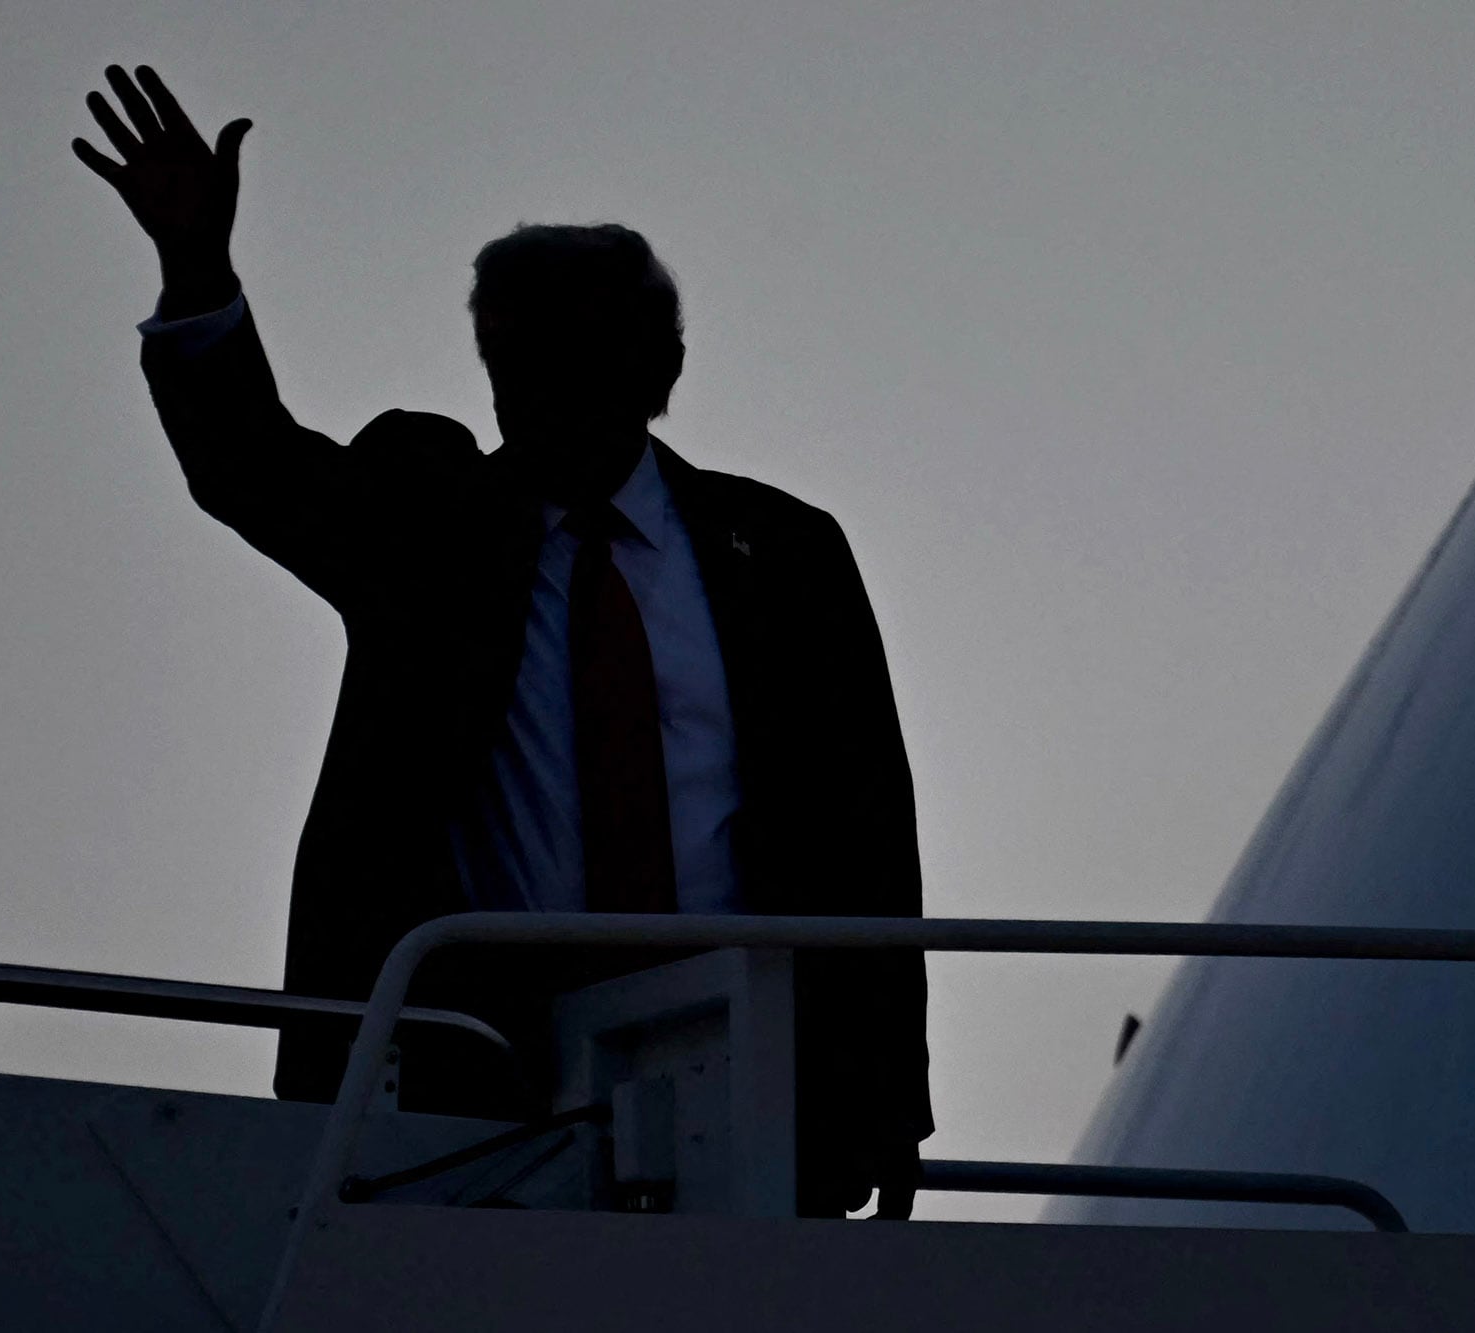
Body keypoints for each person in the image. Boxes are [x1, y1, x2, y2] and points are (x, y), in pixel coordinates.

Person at [73, 62, 931, 1220]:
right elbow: (249, 461)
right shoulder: (427, 520)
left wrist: (887, 1100)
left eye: (581, 349)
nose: (544, 383)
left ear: (659, 370)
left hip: (742, 1059)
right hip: (461, 1068)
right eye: (518, 354)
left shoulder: (777, 549)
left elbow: (866, 831)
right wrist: (194, 264)